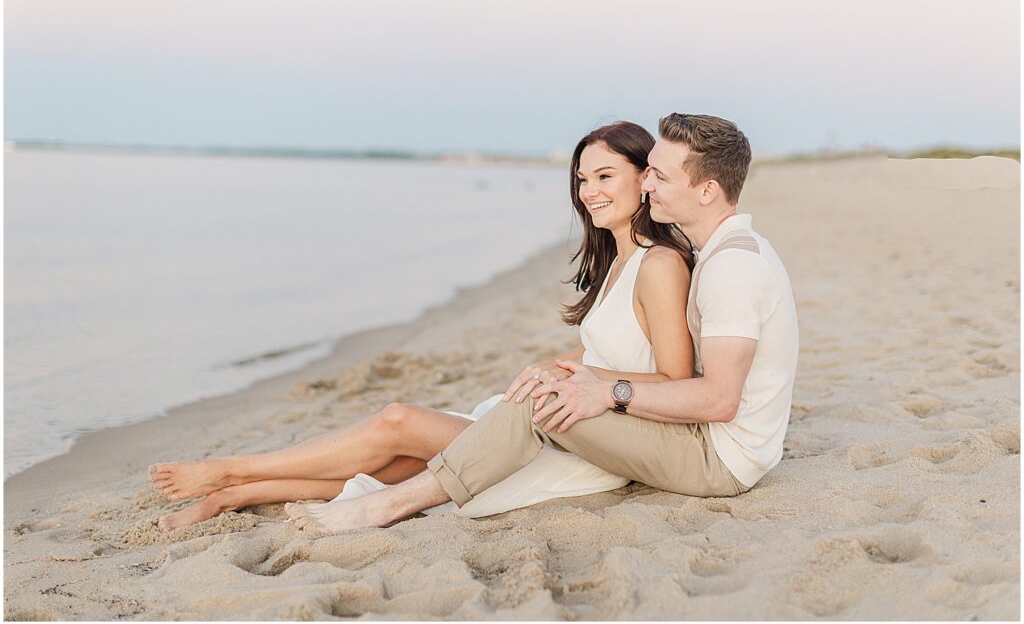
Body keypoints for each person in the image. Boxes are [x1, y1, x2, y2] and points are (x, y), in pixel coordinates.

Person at [149, 120, 696, 531]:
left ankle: (228, 470)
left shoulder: (660, 264)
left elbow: (674, 379)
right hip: (561, 420)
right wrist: (559, 365)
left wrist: (579, 383)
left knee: (397, 421)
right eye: (582, 178)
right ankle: (232, 494)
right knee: (405, 461)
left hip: (585, 445)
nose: (589, 191)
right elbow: (620, 347)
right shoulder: (620, 259)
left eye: (605, 176)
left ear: (645, 178)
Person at [287, 112, 799, 534]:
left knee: (548, 400)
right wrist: (582, 373)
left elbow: (717, 399)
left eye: (659, 175)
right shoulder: (720, 253)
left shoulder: (733, 266)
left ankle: (385, 507)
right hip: (709, 441)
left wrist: (607, 390)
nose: (646, 182)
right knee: (552, 389)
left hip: (719, 459)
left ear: (708, 191)